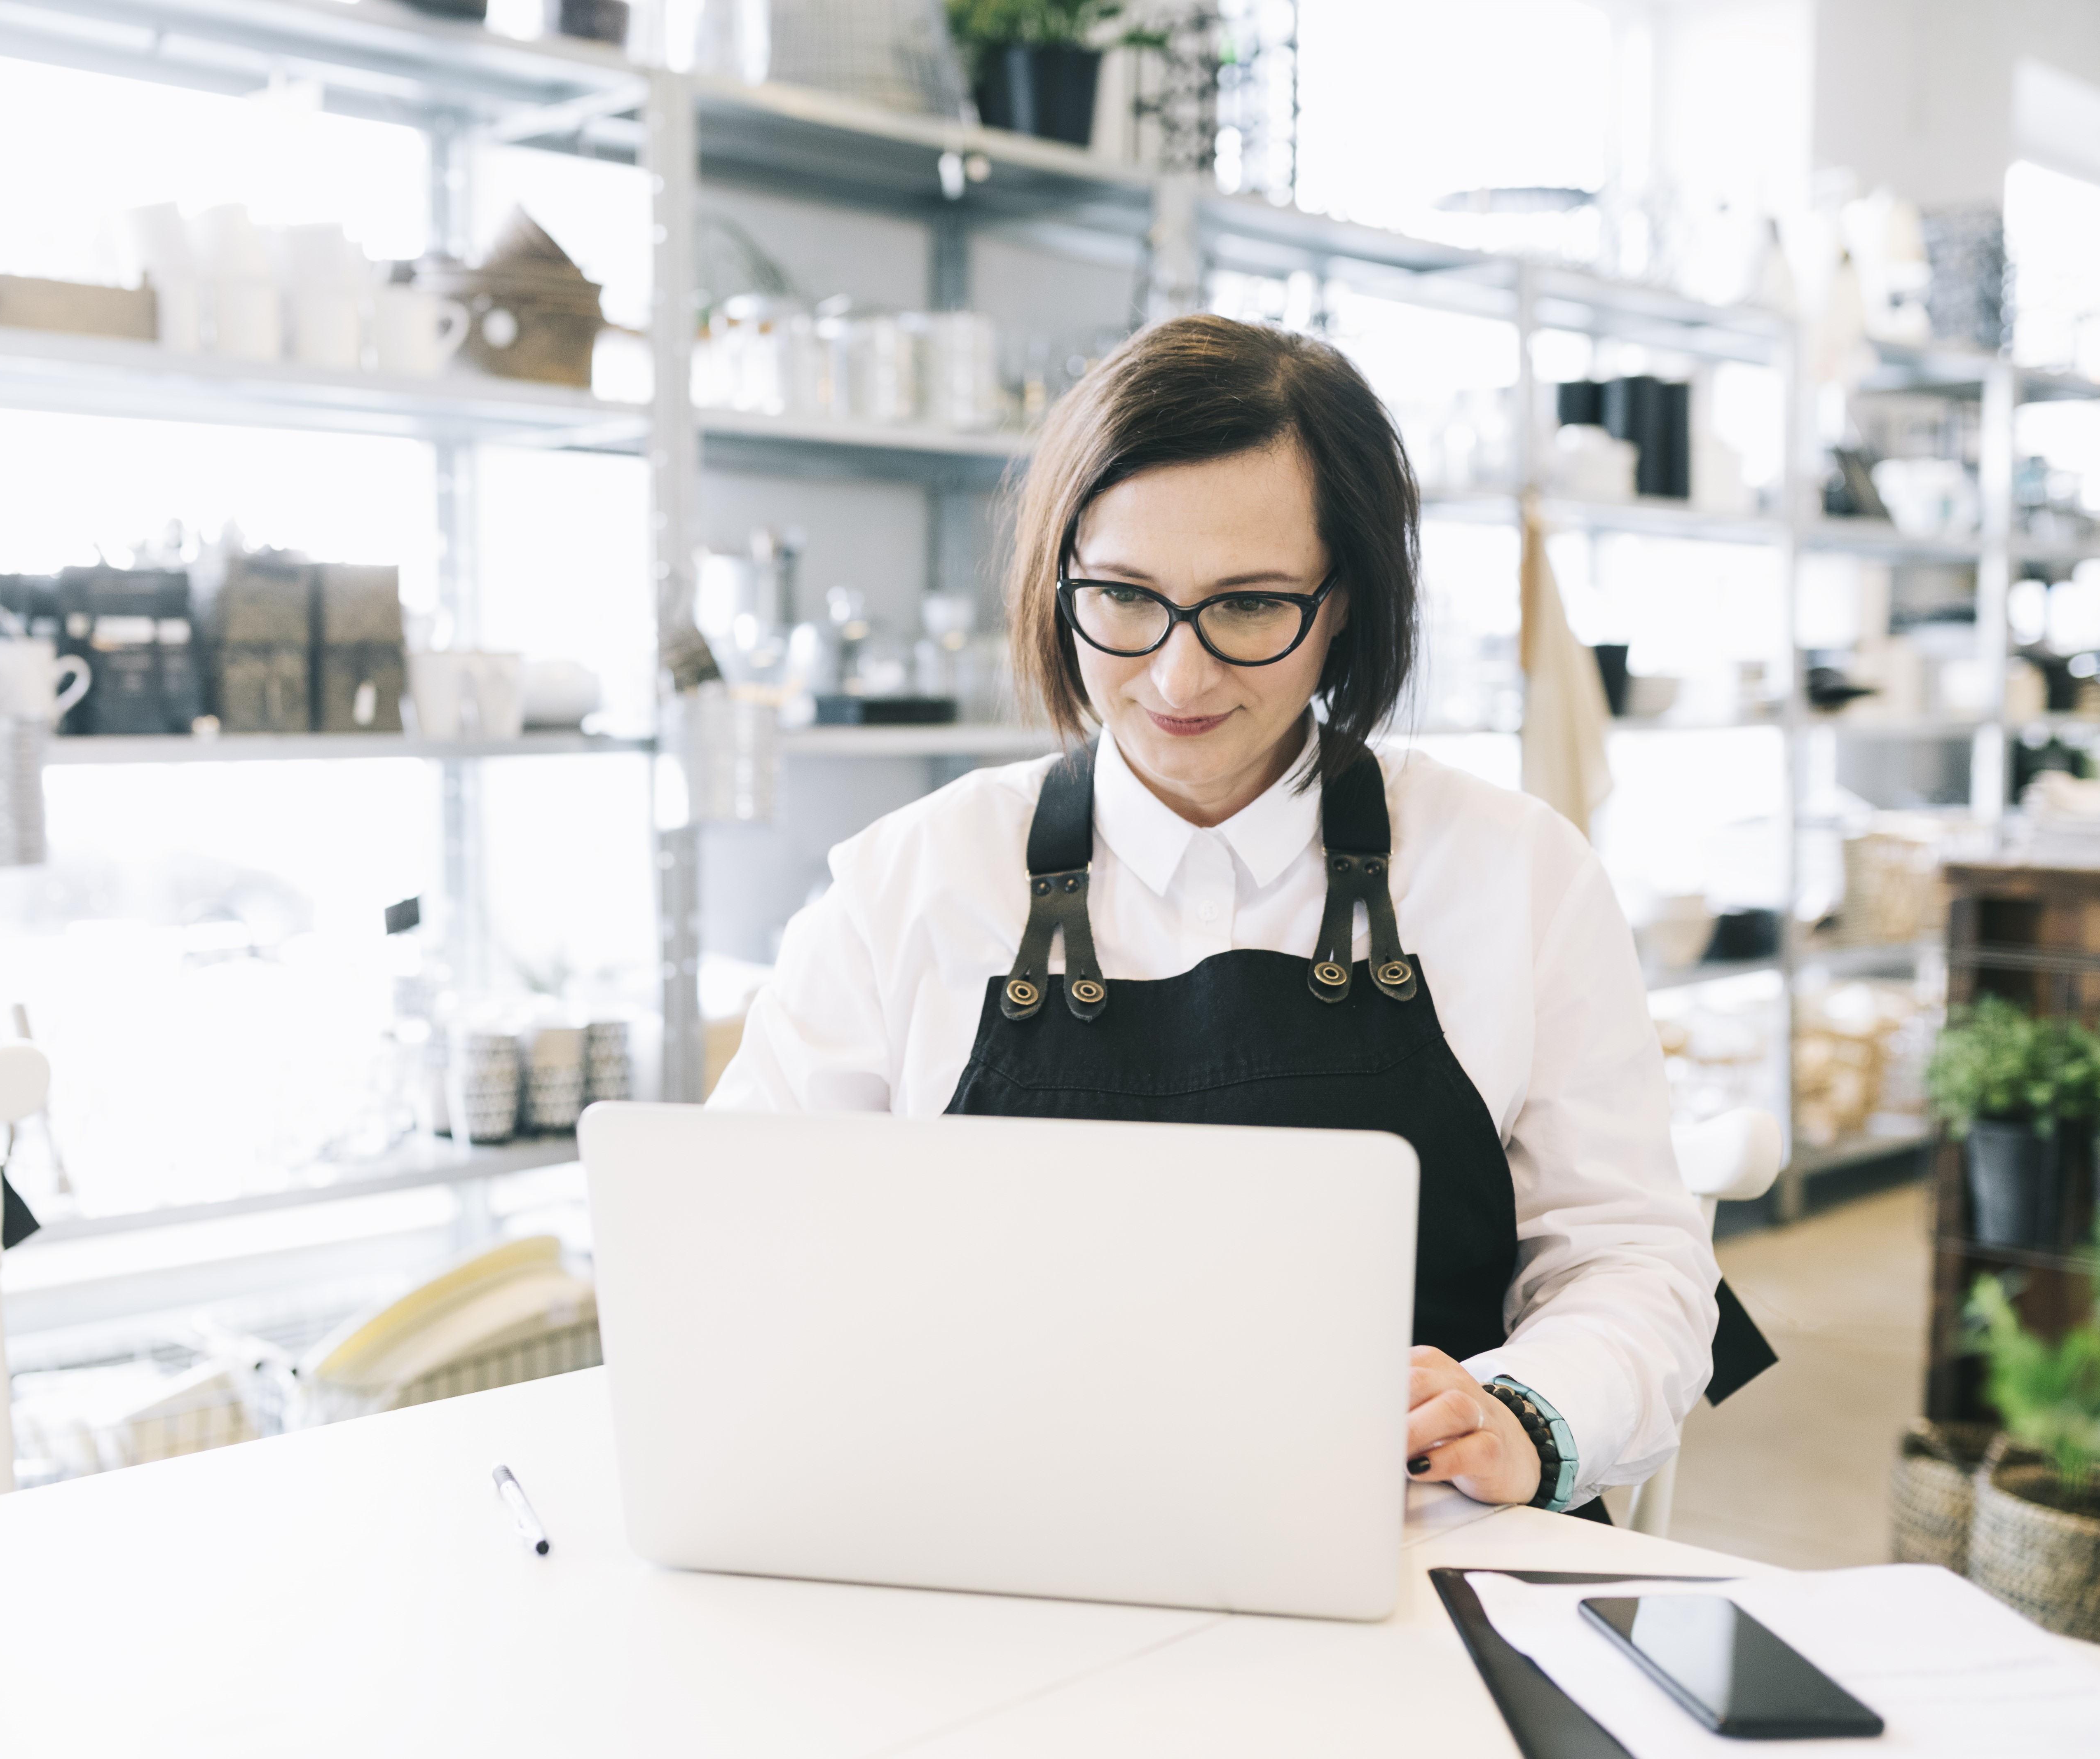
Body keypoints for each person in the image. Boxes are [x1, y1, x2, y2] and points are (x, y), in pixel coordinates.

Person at [709, 314, 1771, 1516]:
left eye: (1250, 607)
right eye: (1122, 597)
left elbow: (1632, 1260)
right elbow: (747, 1246)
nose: (1178, 677)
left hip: (1417, 1546)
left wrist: (1524, 1409)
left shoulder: (1514, 875)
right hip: (1004, 1536)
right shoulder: (911, 883)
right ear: (1056, 581)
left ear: (1347, 605)